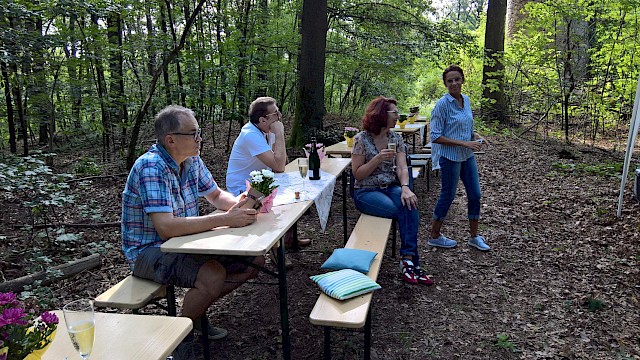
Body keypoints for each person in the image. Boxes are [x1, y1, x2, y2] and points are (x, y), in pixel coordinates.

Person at [121, 105, 264, 342]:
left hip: (187, 243)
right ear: (171, 140)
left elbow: (216, 195)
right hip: (148, 252)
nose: (200, 138)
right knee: (212, 275)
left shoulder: (191, 160)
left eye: (199, 132)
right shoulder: (151, 167)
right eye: (193, 133)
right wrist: (226, 219)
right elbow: (166, 228)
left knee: (255, 262)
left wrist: (240, 204)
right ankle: (178, 340)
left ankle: (194, 313)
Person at [351, 96, 432, 285]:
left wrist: (405, 188)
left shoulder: (396, 138)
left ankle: (408, 260)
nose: (397, 116)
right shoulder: (361, 139)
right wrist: (377, 159)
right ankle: (412, 263)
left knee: (409, 202)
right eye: (394, 112)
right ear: (381, 114)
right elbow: (358, 175)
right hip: (366, 192)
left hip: (390, 187)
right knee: (401, 210)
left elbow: (403, 167)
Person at [226, 96, 311, 251]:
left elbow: (280, 163)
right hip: (242, 189)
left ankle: (290, 240)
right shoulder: (250, 134)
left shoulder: (265, 130)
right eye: (276, 113)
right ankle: (276, 251)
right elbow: (279, 166)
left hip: (261, 182)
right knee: (278, 202)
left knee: (296, 192)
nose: (280, 117)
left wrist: (276, 135)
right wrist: (279, 133)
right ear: (263, 120)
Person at [428, 65, 491, 251]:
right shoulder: (442, 105)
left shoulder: (467, 100)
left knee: (475, 194)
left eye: (457, 79)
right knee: (448, 195)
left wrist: (476, 136)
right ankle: (435, 235)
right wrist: (465, 144)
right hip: (450, 157)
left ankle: (474, 236)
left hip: (467, 156)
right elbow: (435, 136)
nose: (454, 83)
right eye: (450, 81)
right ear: (445, 84)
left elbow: (466, 127)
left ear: (463, 79)